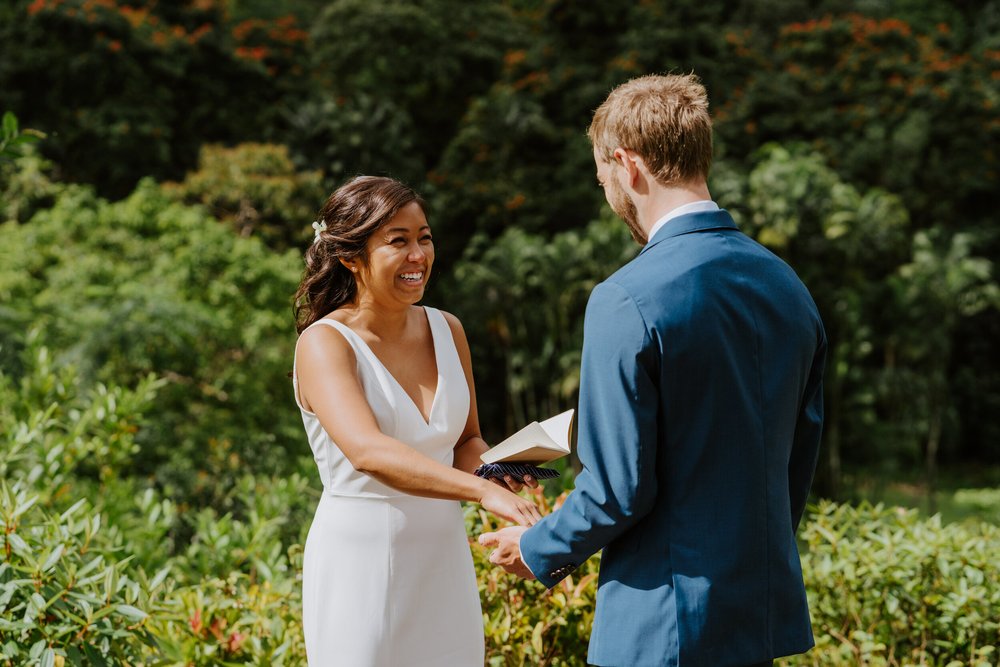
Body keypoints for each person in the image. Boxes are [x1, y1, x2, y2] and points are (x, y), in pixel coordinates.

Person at [480, 73, 827, 667]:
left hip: (661, 623)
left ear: (627, 165)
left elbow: (618, 490)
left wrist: (538, 547)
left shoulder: (626, 298)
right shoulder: (788, 287)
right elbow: (798, 460)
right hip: (756, 616)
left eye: (603, 179)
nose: (609, 194)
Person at [292, 175, 541, 666]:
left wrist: (495, 471)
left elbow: (466, 439)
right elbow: (368, 452)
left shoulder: (448, 329)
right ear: (349, 256)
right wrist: (480, 491)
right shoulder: (323, 344)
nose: (418, 256)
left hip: (441, 559)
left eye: (424, 238)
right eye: (398, 242)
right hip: (360, 561)